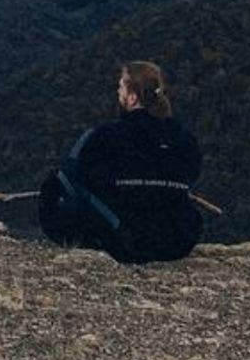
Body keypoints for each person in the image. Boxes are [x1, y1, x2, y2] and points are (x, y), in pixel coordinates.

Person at [38, 61, 202, 264]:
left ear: (132, 98)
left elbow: (71, 177)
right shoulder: (184, 138)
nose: (118, 91)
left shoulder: (104, 136)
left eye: (121, 86)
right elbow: (192, 174)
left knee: (59, 183)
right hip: (176, 241)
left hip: (123, 241)